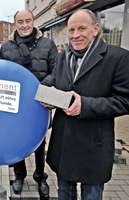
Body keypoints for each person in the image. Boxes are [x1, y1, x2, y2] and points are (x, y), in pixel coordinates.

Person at [46, 9, 129, 200]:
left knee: (91, 196)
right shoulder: (62, 56)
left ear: (95, 29)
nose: (75, 35)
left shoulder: (118, 58)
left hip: (93, 146)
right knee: (64, 194)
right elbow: (55, 80)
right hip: (64, 144)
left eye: (81, 28)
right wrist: (46, 94)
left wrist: (85, 105)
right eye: (72, 30)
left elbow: (125, 101)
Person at [0, 10, 58, 197]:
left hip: (39, 103)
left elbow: (56, 71)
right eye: (20, 21)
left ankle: (40, 177)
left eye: (27, 21)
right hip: (15, 104)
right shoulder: (6, 47)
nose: (24, 25)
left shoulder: (47, 44)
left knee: (39, 141)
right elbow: (2, 75)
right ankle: (19, 175)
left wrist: (39, 88)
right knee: (17, 141)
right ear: (15, 24)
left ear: (33, 22)